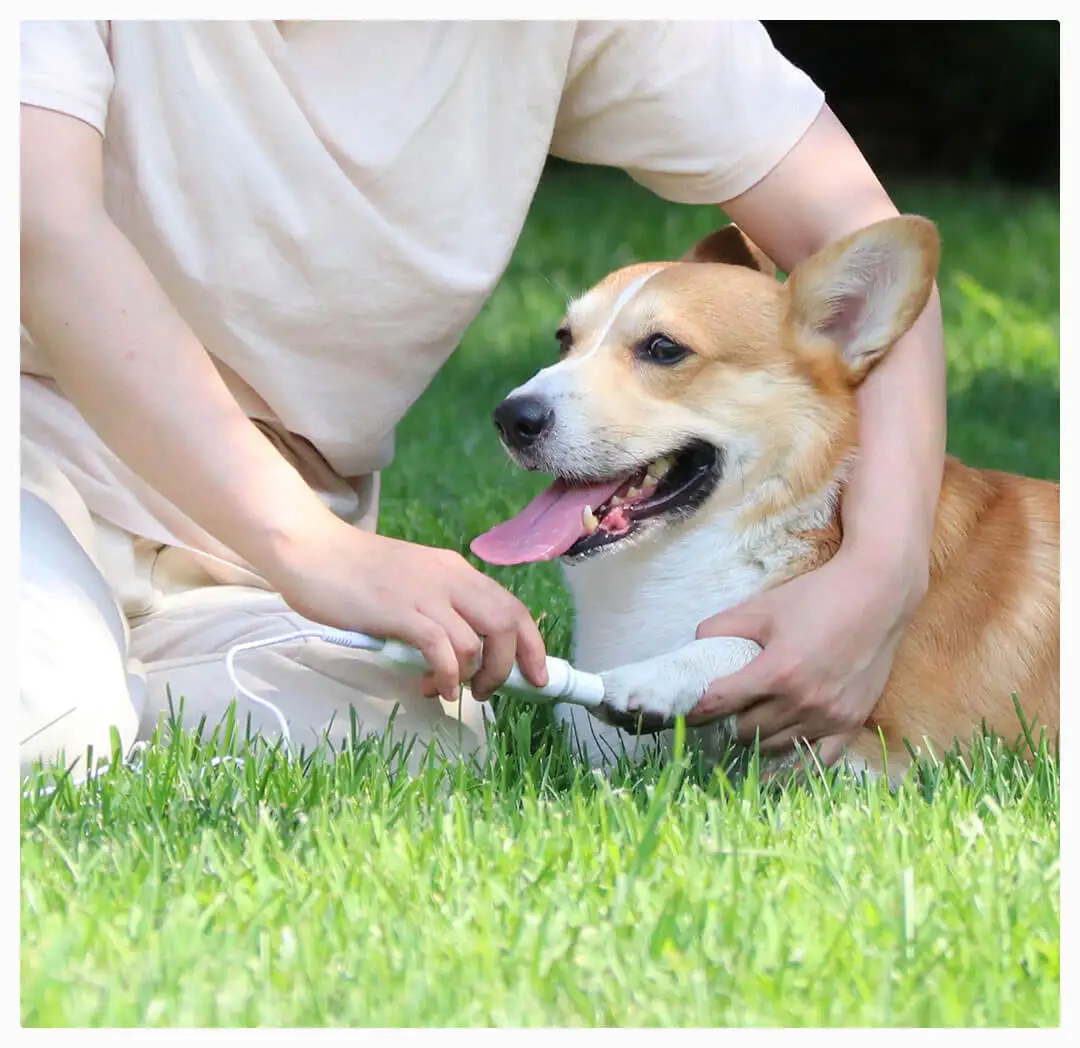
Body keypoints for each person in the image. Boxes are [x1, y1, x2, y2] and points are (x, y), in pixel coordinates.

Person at [19, 20, 946, 777]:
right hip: (36, 470)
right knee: (49, 729)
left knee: (412, 753)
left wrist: (880, 578)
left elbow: (856, 230)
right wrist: (315, 549)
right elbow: (38, 224)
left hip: (244, 571)